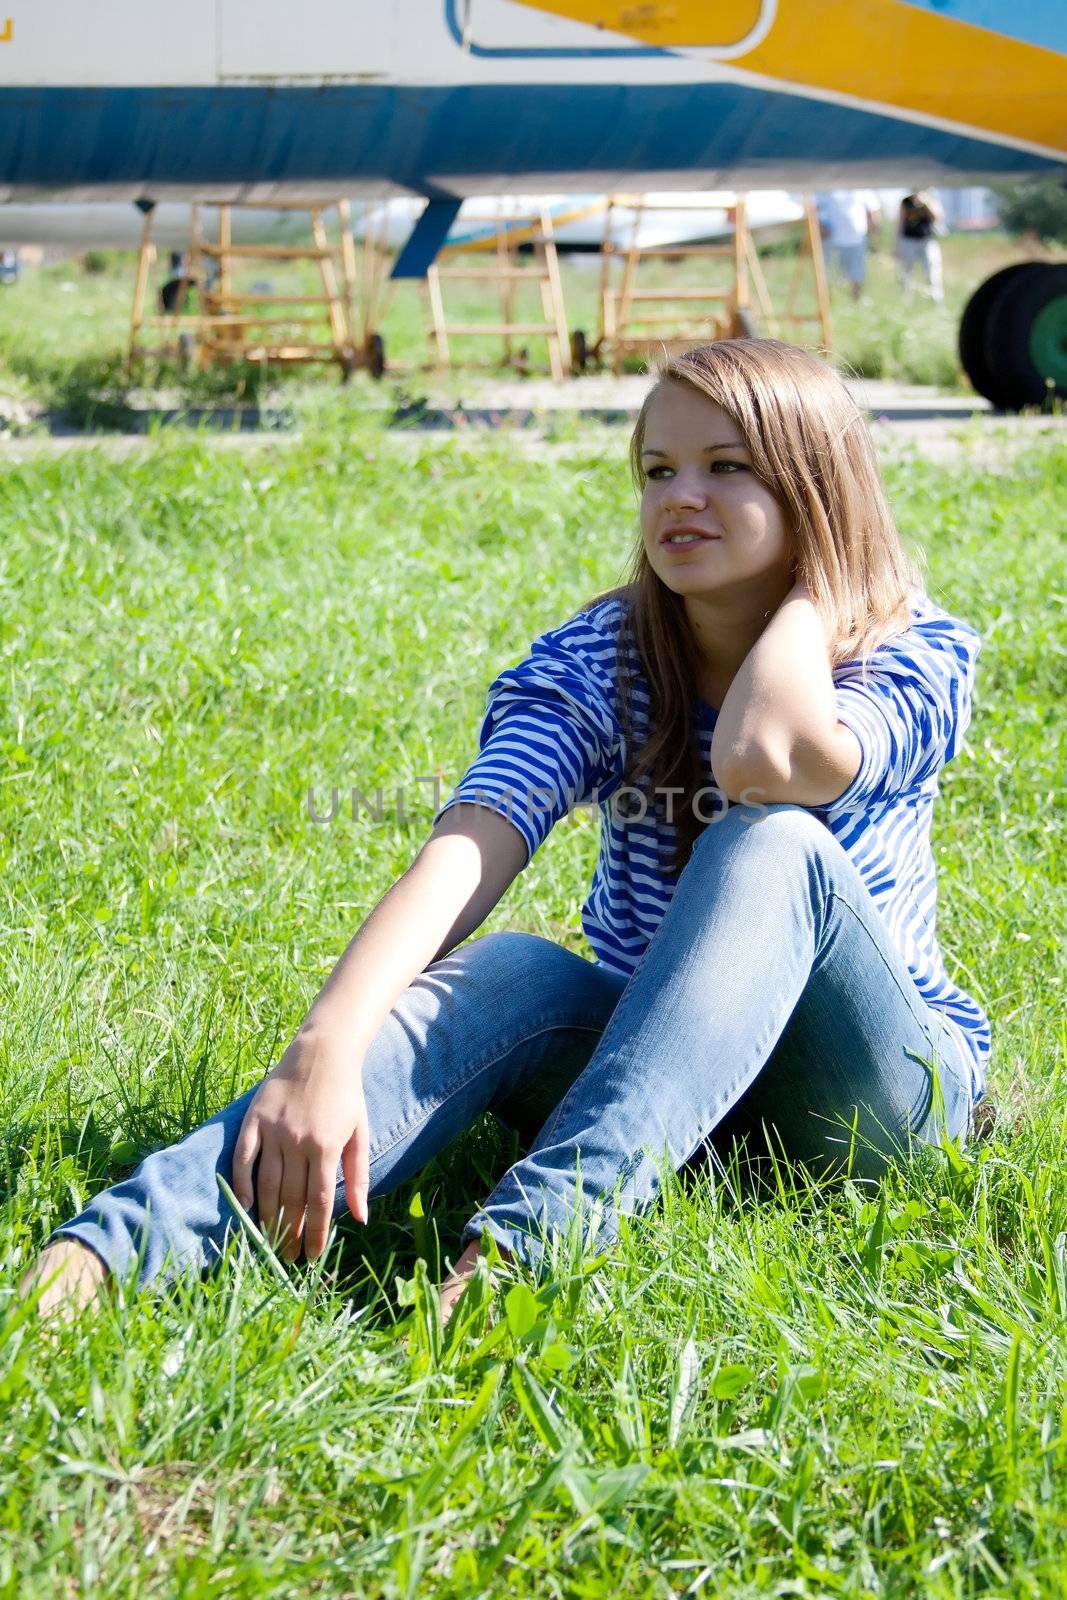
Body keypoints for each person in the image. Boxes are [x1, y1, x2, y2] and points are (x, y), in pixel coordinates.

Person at [23, 339, 991, 1324]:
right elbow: (476, 838)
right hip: (662, 1076)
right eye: (656, 471)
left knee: (767, 840)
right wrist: (325, 1044)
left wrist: (814, 595)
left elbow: (763, 761)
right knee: (512, 969)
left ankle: (515, 1263)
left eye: (725, 467)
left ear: (816, 487)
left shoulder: (909, 651)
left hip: (867, 1101)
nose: (677, 498)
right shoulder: (605, 655)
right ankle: (104, 1256)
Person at [818, 189, 881, 302]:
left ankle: (856, 301)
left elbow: (873, 213)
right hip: (832, 241)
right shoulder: (826, 188)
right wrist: (820, 227)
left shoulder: (864, 189)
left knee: (858, 274)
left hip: (857, 239)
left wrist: (874, 240)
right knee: (828, 274)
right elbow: (816, 208)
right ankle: (828, 303)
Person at [897, 191, 946, 304]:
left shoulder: (931, 199)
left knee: (932, 271)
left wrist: (925, 203)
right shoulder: (906, 201)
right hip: (908, 240)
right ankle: (905, 302)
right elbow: (900, 223)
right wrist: (897, 245)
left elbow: (937, 217)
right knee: (906, 272)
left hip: (927, 241)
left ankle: (937, 302)